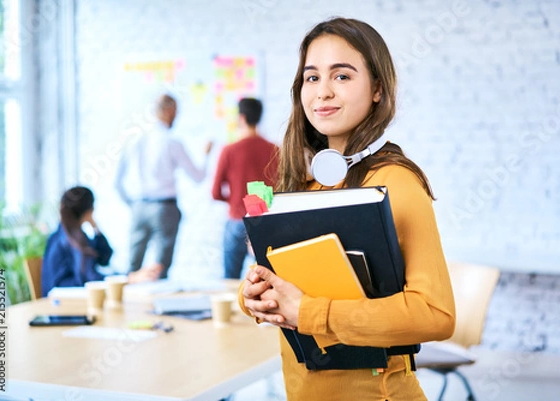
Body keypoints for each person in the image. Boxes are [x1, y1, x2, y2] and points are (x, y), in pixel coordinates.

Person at [239, 17, 456, 401]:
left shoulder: (397, 183)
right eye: (312, 77)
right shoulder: (299, 184)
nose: (322, 92)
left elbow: (436, 315)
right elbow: (290, 292)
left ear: (377, 89)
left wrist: (307, 313)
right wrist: (255, 297)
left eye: (341, 76)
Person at [115, 94, 212, 279]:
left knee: (132, 270)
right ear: (168, 111)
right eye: (176, 111)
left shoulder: (134, 140)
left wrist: (133, 204)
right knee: (160, 270)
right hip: (164, 209)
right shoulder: (171, 142)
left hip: (138, 206)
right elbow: (198, 177)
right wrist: (206, 155)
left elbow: (117, 183)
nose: (177, 115)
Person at [41, 186, 161, 297]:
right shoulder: (66, 241)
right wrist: (128, 278)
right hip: (65, 305)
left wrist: (95, 227)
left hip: (69, 302)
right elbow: (90, 279)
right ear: (89, 211)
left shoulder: (73, 236)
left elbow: (105, 257)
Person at [211, 98, 279, 279]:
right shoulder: (275, 150)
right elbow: (281, 189)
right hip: (264, 222)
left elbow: (215, 193)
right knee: (265, 279)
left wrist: (236, 200)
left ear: (241, 118)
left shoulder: (229, 150)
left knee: (230, 279)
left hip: (237, 220)